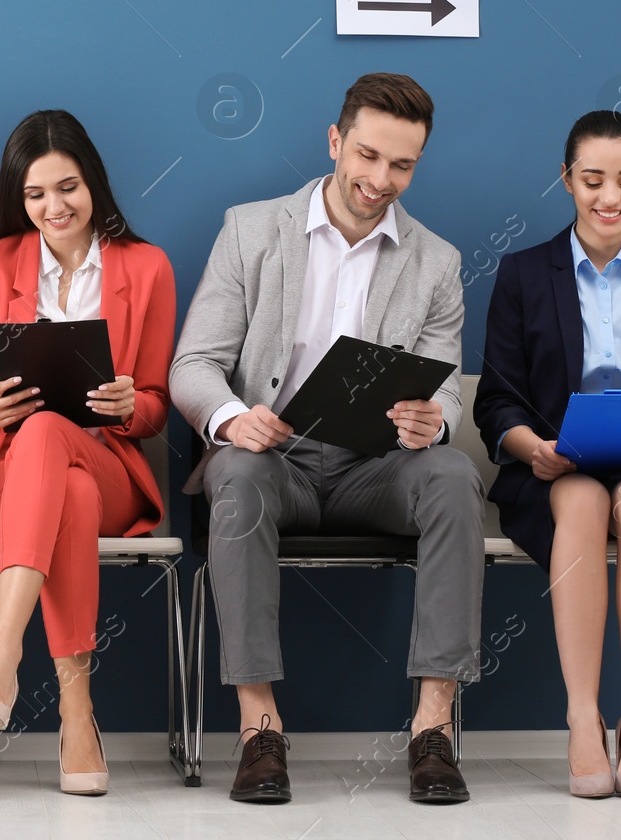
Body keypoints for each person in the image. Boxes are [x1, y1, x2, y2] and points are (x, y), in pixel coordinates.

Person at [170, 72, 486, 806]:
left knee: (453, 477)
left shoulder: (437, 262)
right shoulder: (251, 230)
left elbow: (442, 382)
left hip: (376, 468)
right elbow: (193, 366)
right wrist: (230, 419)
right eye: (368, 155)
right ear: (336, 141)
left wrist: (434, 417)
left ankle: (433, 727)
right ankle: (259, 727)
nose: (381, 179)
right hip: (272, 463)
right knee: (239, 474)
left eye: (402, 165)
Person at [474, 110, 621, 799]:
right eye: (593, 180)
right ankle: (583, 716)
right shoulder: (523, 274)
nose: (611, 197)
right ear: (566, 179)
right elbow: (495, 399)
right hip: (552, 472)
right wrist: (533, 448)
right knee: (583, 496)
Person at [0, 110, 175, 796]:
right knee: (55, 466)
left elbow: (157, 402)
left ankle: (3, 649)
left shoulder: (146, 266)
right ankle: (76, 711)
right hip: (4, 473)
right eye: (36, 194)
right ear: (19, 198)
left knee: (61, 452)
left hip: (109, 459)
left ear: (92, 182)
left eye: (67, 187)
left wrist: (133, 404)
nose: (53, 207)